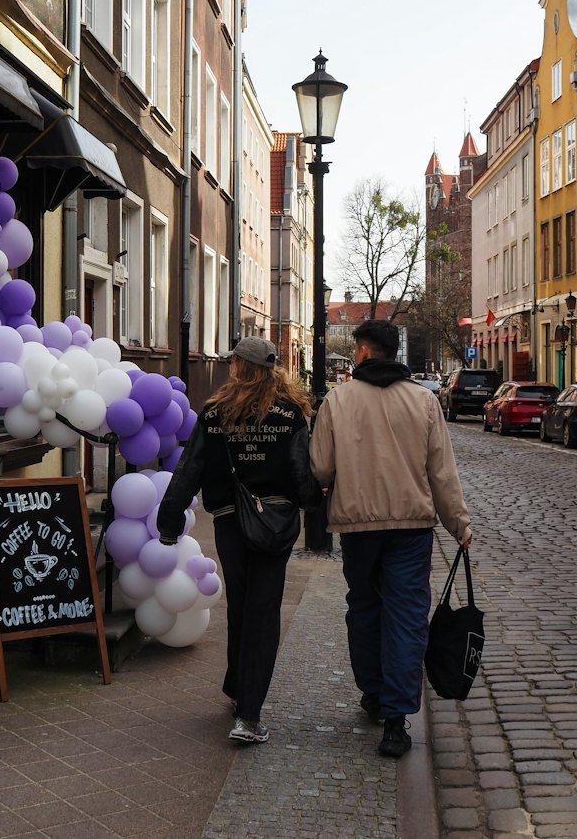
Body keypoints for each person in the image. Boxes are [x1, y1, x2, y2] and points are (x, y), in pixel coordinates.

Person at [310, 320, 473, 759]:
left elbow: (321, 468)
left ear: (362, 352)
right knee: (406, 618)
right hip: (411, 529)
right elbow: (442, 471)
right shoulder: (423, 400)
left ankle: (373, 693)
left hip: (358, 528)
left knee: (364, 608)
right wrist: (458, 524)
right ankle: (398, 724)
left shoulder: (338, 401)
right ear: (394, 352)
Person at [157, 336, 322, 745]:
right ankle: (249, 714)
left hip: (231, 522)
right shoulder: (291, 414)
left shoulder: (214, 413)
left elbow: (189, 468)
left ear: (238, 368)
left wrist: (169, 518)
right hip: (278, 523)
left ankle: (238, 691)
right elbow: (302, 472)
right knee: (264, 612)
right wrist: (315, 511)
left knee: (242, 605)